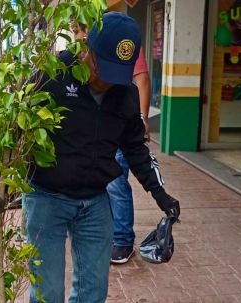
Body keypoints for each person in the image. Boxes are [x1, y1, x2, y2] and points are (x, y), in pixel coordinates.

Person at [23, 12, 180, 303]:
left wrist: (161, 195)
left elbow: (135, 149)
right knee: (48, 294)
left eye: (117, 73)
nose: (108, 82)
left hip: (95, 201)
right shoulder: (52, 76)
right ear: (87, 49)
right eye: (103, 68)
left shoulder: (125, 94)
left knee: (93, 293)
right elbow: (18, 130)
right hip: (46, 198)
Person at [72, 10, 152, 265]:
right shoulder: (72, 63)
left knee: (117, 183)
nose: (77, 36)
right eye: (74, 31)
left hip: (118, 126)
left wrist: (141, 118)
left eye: (79, 30)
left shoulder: (121, 43)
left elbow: (141, 79)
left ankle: (123, 240)